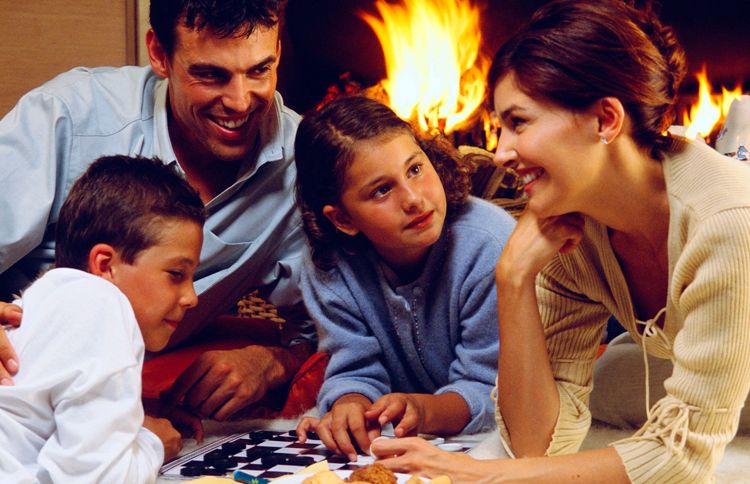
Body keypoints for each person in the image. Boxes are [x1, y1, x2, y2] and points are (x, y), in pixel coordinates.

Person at [368, 0, 750, 482]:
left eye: (519, 122)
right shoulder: (572, 225)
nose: (499, 151)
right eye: (499, 126)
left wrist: (485, 475)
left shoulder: (728, 222)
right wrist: (513, 279)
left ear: (605, 120)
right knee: (614, 378)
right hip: (714, 374)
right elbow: (536, 443)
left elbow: (685, 456)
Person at [0, 0, 315, 420]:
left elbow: (338, 327)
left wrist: (272, 363)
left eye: (260, 70)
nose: (240, 102)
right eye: (210, 74)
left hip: (132, 380)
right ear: (159, 54)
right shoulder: (69, 115)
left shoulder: (302, 165)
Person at [292, 95, 516, 461]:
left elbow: (494, 391)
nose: (413, 198)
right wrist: (350, 402)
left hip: (486, 427)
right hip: (408, 431)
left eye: (415, 169)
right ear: (343, 220)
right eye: (382, 190)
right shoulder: (328, 265)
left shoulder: (488, 245)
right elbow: (352, 366)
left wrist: (422, 410)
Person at [0, 155, 205, 482]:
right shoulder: (101, 304)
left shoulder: (47, 298)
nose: (191, 298)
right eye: (176, 273)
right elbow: (95, 479)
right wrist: (152, 443)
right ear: (106, 265)